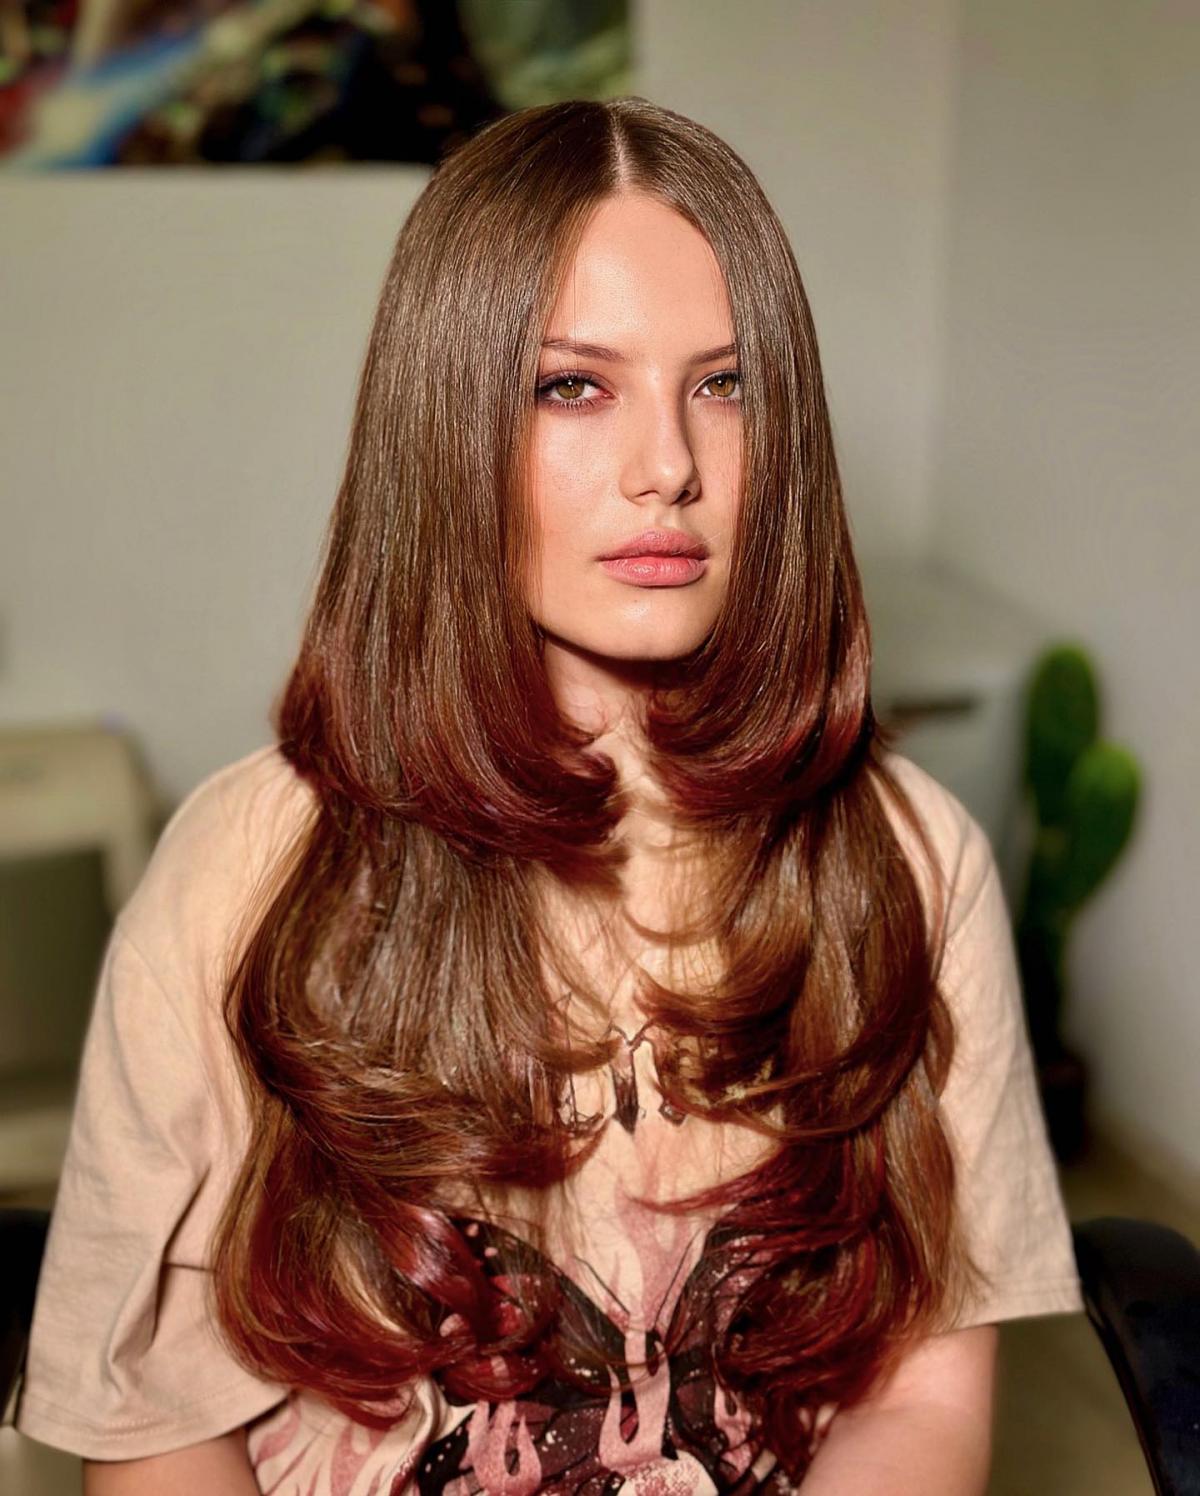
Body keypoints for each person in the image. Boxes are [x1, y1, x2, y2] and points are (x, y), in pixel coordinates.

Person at [15, 96, 1084, 1494]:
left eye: (726, 385)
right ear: (444, 427)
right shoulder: (249, 872)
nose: (670, 467)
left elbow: (924, 1399)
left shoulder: (910, 860)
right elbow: (159, 1437)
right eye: (573, 387)